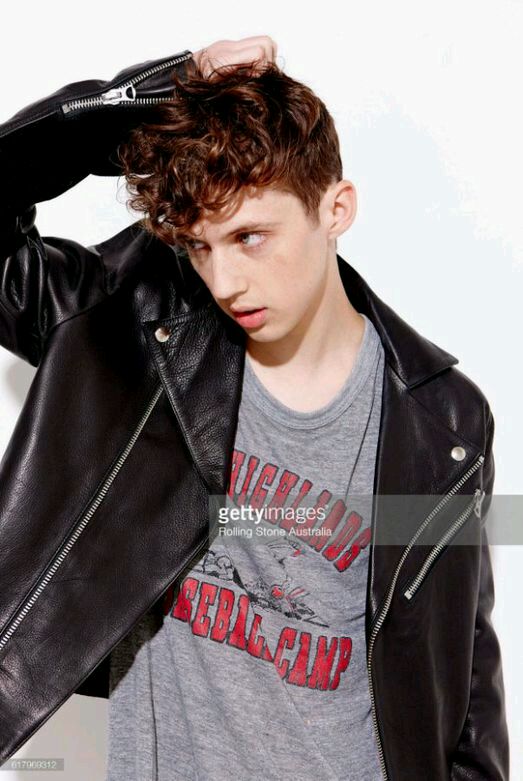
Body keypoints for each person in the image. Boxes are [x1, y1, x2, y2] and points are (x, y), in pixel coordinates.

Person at [0, 36, 509, 780]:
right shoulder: (132, 337)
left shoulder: (444, 422)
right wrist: (159, 90)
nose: (226, 281)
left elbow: (465, 676)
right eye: (200, 247)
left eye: (250, 236)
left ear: (335, 209)